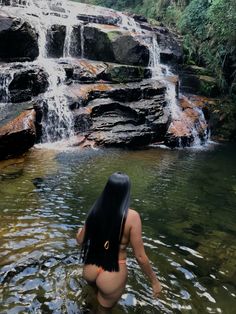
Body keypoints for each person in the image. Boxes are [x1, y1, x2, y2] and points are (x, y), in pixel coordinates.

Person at [76, 172, 162, 311]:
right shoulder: (132, 217)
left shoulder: (96, 210)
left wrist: (80, 230)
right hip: (112, 273)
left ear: (107, 189)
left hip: (90, 267)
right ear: (126, 192)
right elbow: (140, 257)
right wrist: (155, 281)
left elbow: (80, 240)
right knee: (103, 310)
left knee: (90, 299)